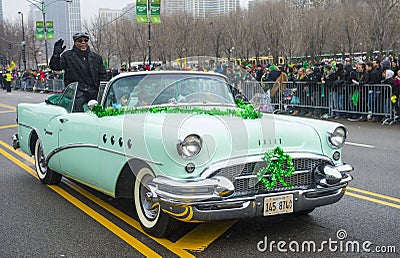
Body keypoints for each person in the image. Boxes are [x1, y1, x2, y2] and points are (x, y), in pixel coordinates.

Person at [49, 32, 107, 112]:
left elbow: (103, 75)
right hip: (77, 92)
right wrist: (56, 55)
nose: (83, 43)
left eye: (85, 40)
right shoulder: (67, 56)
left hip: (94, 92)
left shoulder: (96, 58)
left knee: (106, 104)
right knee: (78, 108)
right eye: (80, 41)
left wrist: (104, 89)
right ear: (75, 42)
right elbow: (56, 67)